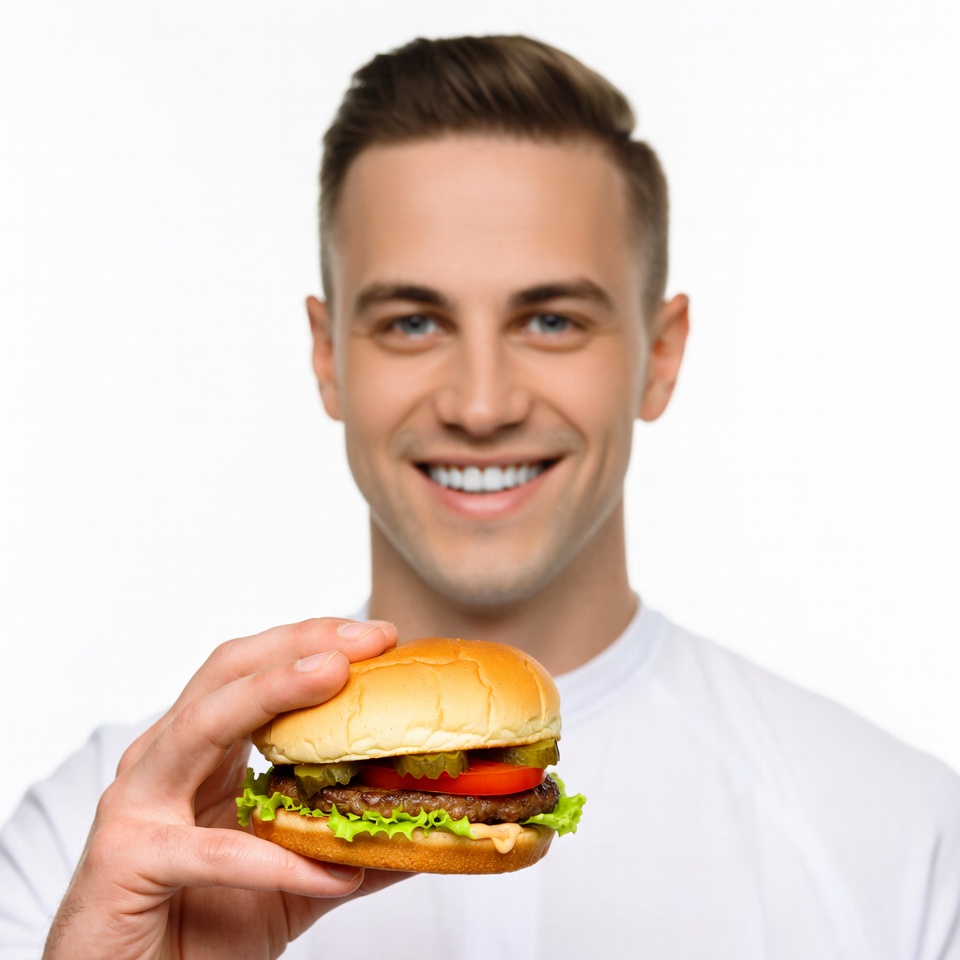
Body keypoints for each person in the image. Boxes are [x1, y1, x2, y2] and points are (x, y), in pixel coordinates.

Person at [2, 34, 959, 960]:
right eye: (414, 321)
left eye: (551, 319)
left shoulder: (906, 839)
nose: (481, 404)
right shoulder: (99, 846)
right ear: (327, 359)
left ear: (659, 359)